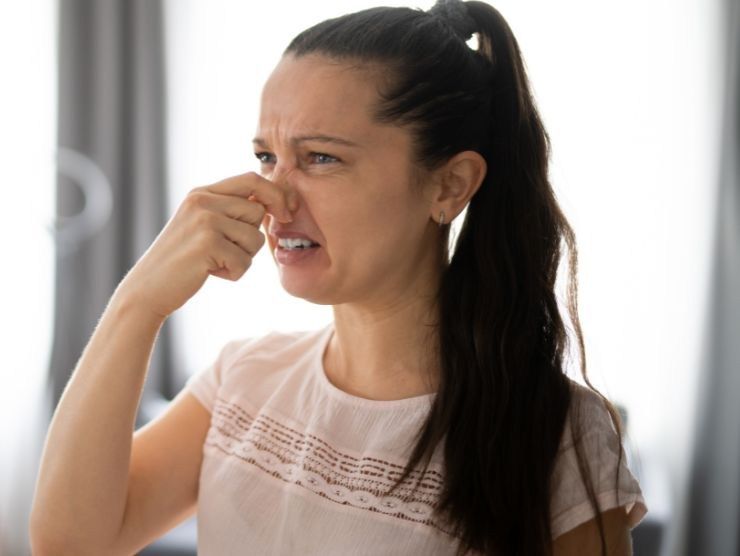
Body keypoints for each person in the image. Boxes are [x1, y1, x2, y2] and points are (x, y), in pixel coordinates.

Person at [30, 0, 648, 554]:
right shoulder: (243, 381)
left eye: (321, 158)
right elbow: (71, 543)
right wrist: (138, 301)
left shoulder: (558, 435)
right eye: (266, 157)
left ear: (450, 184)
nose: (273, 196)